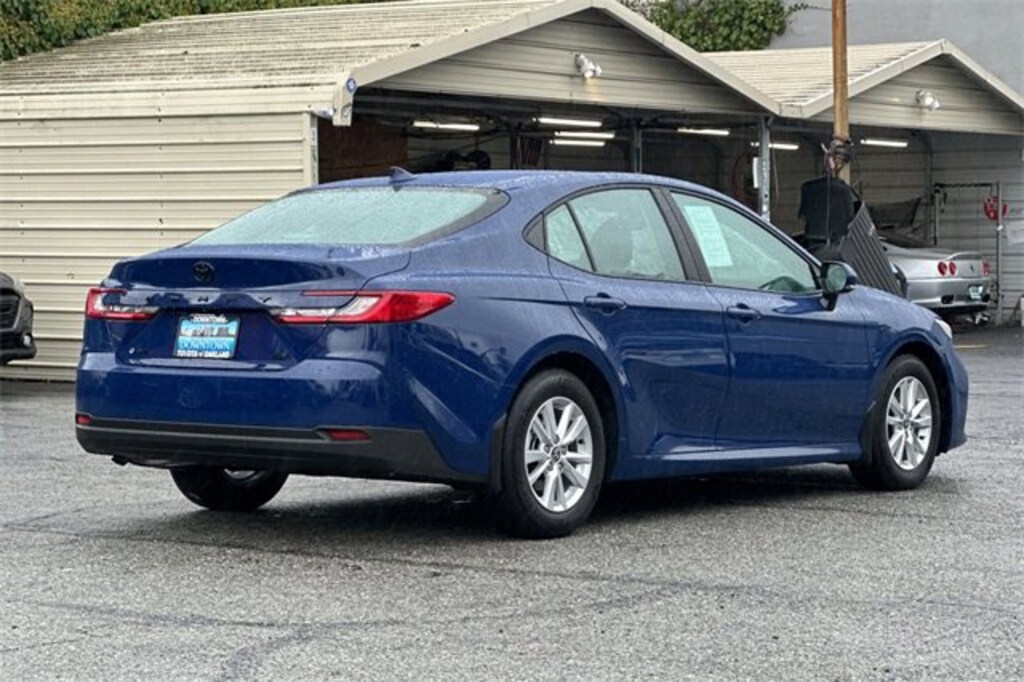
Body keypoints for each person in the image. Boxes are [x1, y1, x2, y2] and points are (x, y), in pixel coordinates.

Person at [797, 137, 858, 253]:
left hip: (812, 241)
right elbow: (850, 217)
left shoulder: (807, 187)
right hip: (835, 243)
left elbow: (803, 215)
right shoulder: (844, 190)